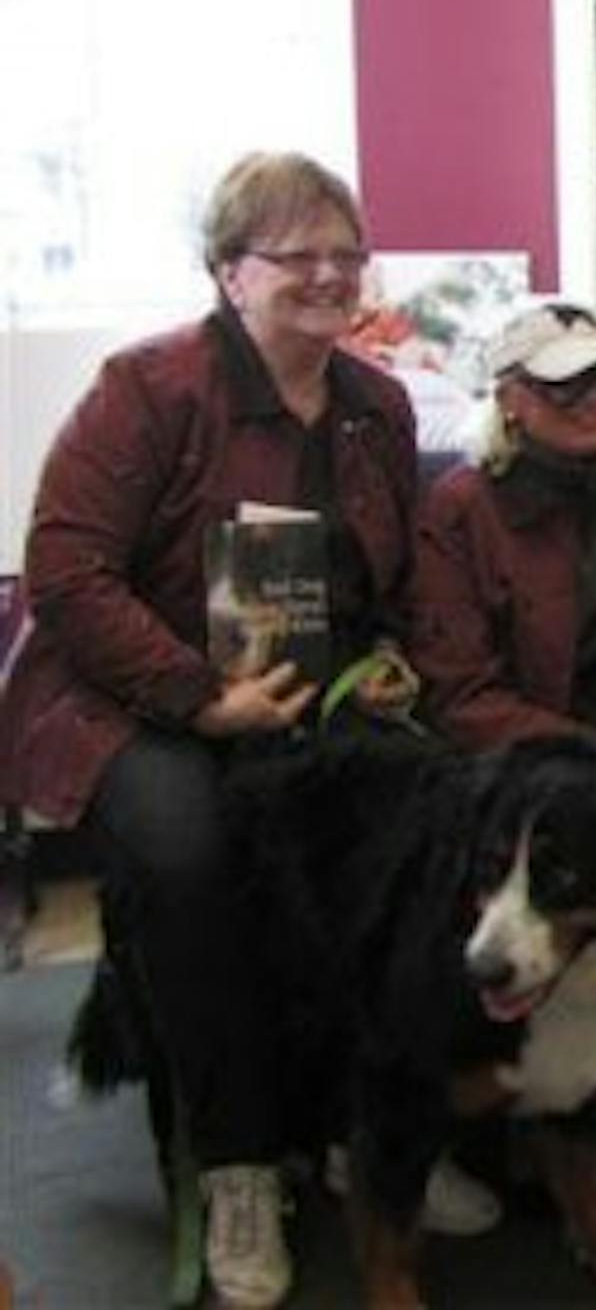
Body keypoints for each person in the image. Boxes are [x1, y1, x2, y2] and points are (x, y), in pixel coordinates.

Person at [0, 153, 473, 1307]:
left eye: (345, 254)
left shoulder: (378, 403)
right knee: (189, 846)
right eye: (295, 254)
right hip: (132, 697)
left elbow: (390, 579)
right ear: (228, 270)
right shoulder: (148, 388)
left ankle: (376, 1116)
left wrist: (385, 667)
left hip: (311, 693)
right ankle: (239, 1163)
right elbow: (64, 570)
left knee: (442, 811)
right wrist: (199, 696)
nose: (327, 274)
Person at [409, 301, 596, 762]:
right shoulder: (460, 510)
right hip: (526, 781)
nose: (594, 399)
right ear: (508, 400)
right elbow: (461, 695)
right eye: (565, 386)